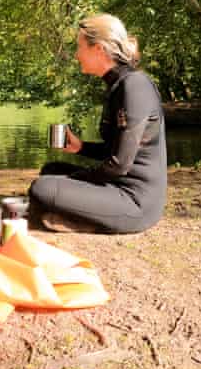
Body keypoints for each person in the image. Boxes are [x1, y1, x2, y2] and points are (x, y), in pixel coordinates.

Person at [28, 13, 167, 234]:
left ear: (99, 49)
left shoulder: (135, 86)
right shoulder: (119, 85)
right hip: (116, 185)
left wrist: (75, 180)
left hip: (136, 201)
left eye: (80, 47)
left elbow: (120, 164)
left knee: (42, 188)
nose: (76, 55)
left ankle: (86, 220)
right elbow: (117, 149)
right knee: (51, 170)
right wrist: (80, 147)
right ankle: (75, 214)